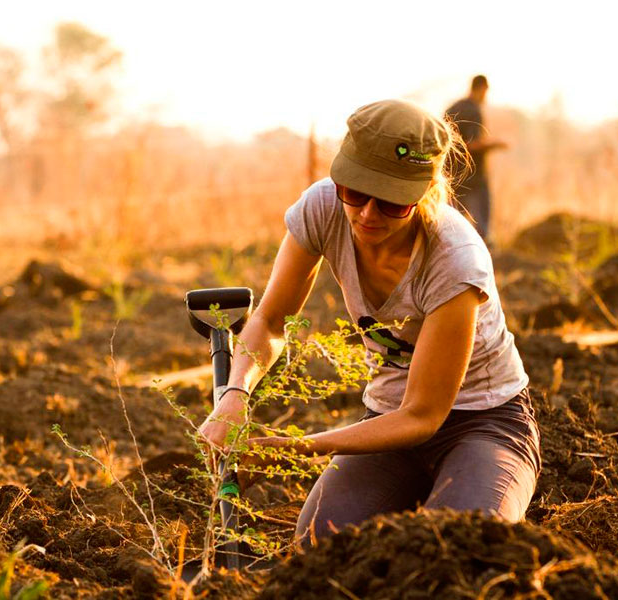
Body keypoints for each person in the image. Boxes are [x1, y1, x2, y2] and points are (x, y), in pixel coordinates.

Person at [198, 99, 540, 544]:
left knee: (457, 544)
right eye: (355, 192)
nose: (366, 215)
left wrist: (289, 451)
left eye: (392, 203)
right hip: (385, 421)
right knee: (322, 543)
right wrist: (235, 394)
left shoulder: (455, 260)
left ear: (426, 191)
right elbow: (271, 319)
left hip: (483, 422)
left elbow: (422, 416)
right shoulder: (322, 208)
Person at [445, 75, 507, 242]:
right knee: (482, 226)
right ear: (482, 89)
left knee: (449, 225)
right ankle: (487, 257)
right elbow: (471, 145)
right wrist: (496, 144)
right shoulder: (473, 110)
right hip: (474, 177)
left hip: (452, 176)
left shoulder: (453, 107)